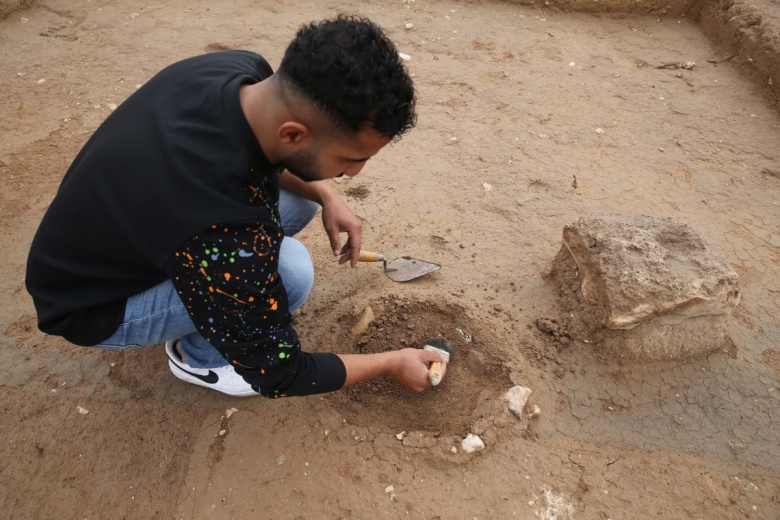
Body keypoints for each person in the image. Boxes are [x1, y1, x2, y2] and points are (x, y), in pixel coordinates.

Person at [25, 15, 444, 398]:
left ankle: (208, 305)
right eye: (351, 158)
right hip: (91, 304)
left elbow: (262, 166)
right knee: (291, 273)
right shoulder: (219, 224)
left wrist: (328, 194)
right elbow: (283, 374)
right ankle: (197, 360)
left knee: (304, 196)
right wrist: (391, 361)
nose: (354, 174)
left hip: (126, 230)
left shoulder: (238, 71)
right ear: (293, 133)